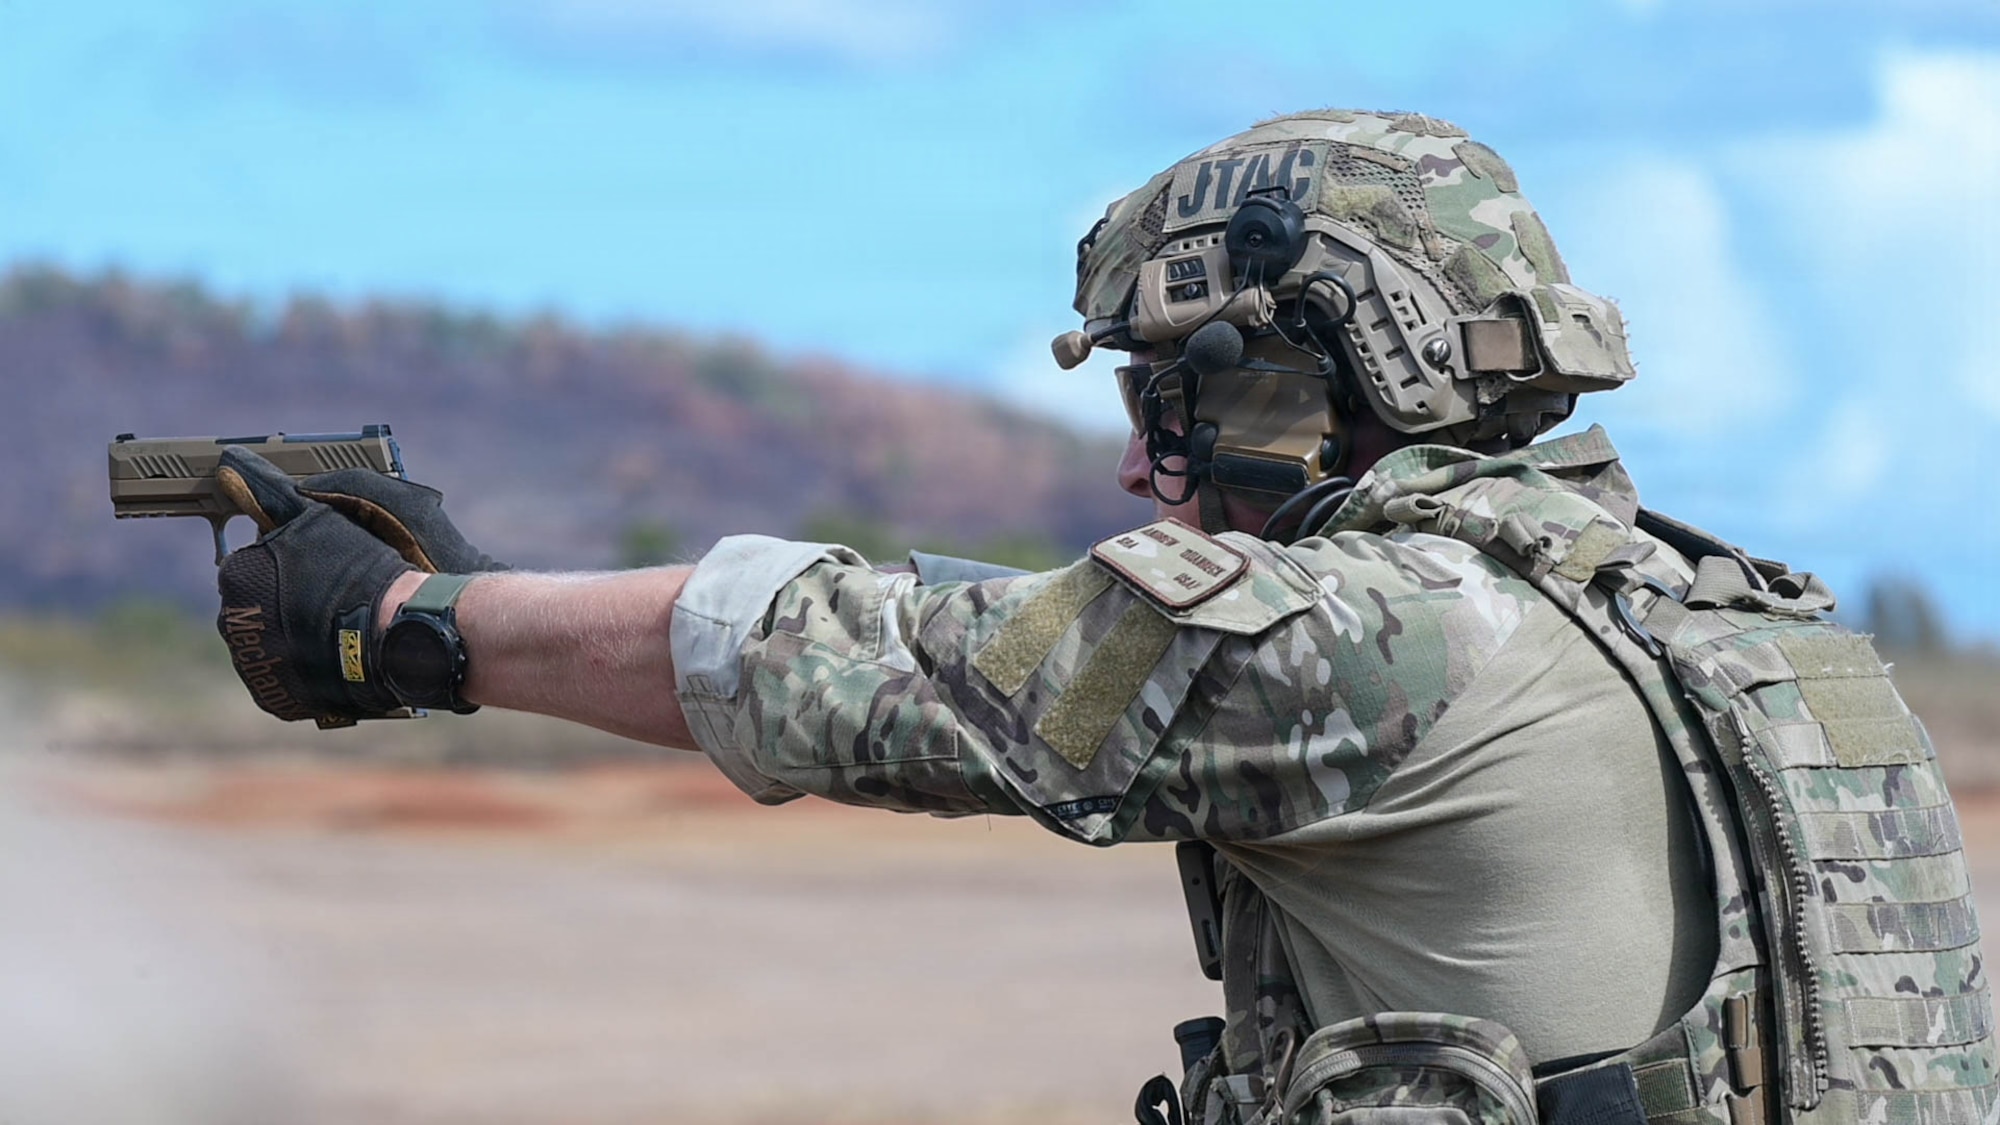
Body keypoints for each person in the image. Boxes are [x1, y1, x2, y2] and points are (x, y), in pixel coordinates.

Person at [210, 110, 1993, 1125]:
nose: (1149, 475)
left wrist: (407, 619)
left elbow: (850, 664)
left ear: (1293, 385)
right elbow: (1036, 624)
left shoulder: (1370, 638)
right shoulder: (1745, 630)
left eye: (1168, 410)